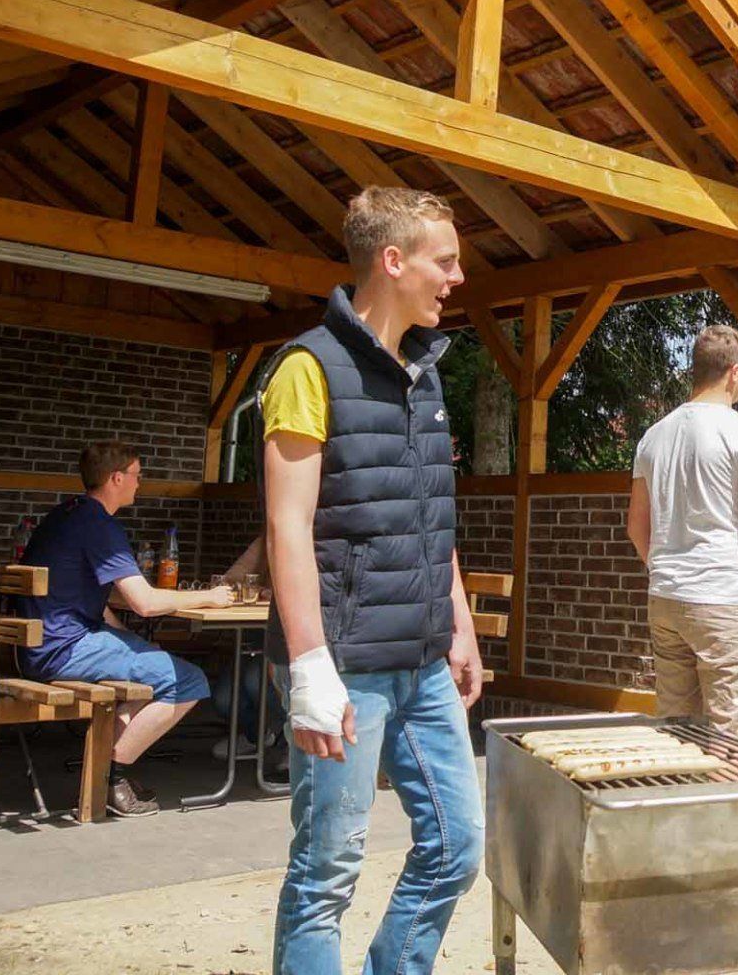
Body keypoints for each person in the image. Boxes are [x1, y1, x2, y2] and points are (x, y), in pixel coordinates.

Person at [261, 186, 485, 975]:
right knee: (326, 875)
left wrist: (458, 623)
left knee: (458, 848)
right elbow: (288, 526)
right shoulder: (305, 367)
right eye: (444, 260)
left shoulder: (425, 373)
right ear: (394, 261)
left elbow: (431, 512)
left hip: (424, 661)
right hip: (347, 664)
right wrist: (310, 665)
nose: (456, 277)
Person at [17, 441, 232, 818]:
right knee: (188, 681)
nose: (139, 483)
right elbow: (144, 603)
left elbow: (91, 598)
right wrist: (209, 597)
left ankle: (103, 770)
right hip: (64, 649)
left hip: (37, 644)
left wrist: (132, 640)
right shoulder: (100, 524)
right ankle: (108, 777)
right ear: (116, 478)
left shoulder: (64, 516)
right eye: (136, 475)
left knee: (152, 662)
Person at [626, 324, 738, 736]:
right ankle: (730, 802)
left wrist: (663, 567)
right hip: (727, 600)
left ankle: (680, 800)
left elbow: (636, 527)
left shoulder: (652, 436)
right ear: (734, 372)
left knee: (678, 731)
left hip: (665, 598)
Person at [205, 535, 286, 768]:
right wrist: (260, 590)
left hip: (299, 641)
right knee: (224, 699)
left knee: (254, 679)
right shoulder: (268, 538)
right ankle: (258, 734)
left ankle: (291, 747)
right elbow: (231, 579)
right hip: (259, 634)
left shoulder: (325, 538)